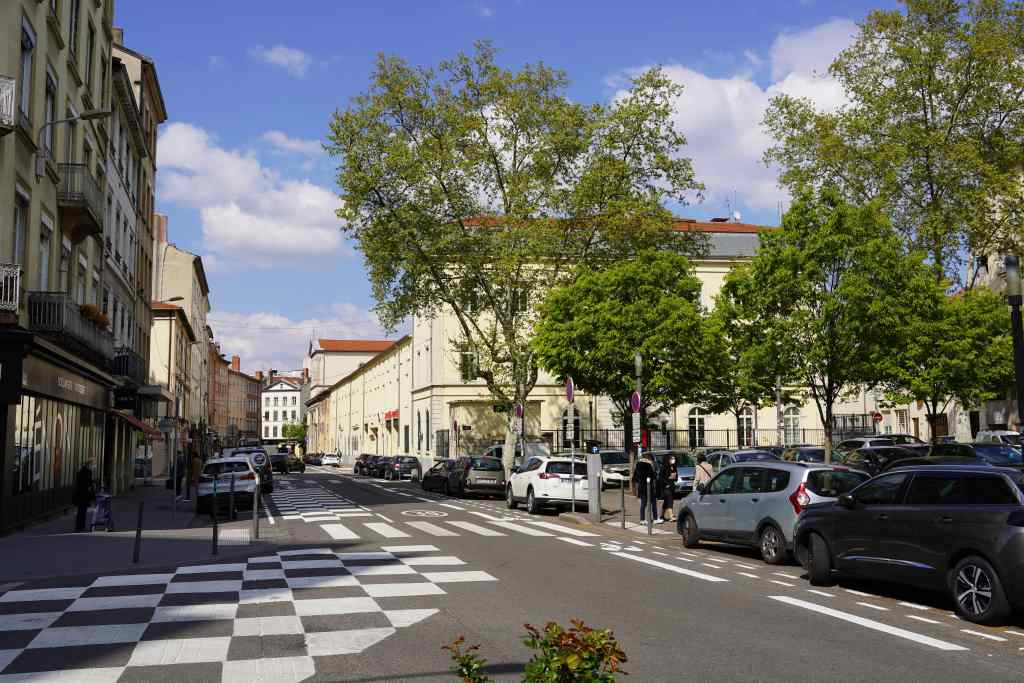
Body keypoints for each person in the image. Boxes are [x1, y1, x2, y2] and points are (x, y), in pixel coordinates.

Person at [632, 451, 658, 523]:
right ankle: (655, 518)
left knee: (643, 503)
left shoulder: (638, 465)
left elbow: (634, 478)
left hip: (641, 487)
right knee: (653, 502)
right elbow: (653, 476)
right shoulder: (649, 465)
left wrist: (635, 488)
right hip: (649, 487)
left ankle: (642, 519)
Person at [72, 461, 95, 532]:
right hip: (85, 494)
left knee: (80, 511)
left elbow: (78, 482)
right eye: (92, 465)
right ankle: (81, 527)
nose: (93, 467)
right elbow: (89, 483)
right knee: (83, 511)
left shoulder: (80, 471)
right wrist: (93, 492)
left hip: (79, 494)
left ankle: (78, 527)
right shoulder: (88, 472)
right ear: (89, 465)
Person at [659, 453, 678, 523]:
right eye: (671, 459)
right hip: (666, 487)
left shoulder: (674, 467)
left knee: (666, 501)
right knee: (670, 499)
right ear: (668, 459)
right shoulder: (663, 467)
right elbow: (660, 478)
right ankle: (671, 515)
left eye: (674, 459)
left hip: (672, 486)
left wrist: (675, 478)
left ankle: (661, 515)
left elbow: (676, 476)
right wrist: (666, 484)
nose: (673, 460)